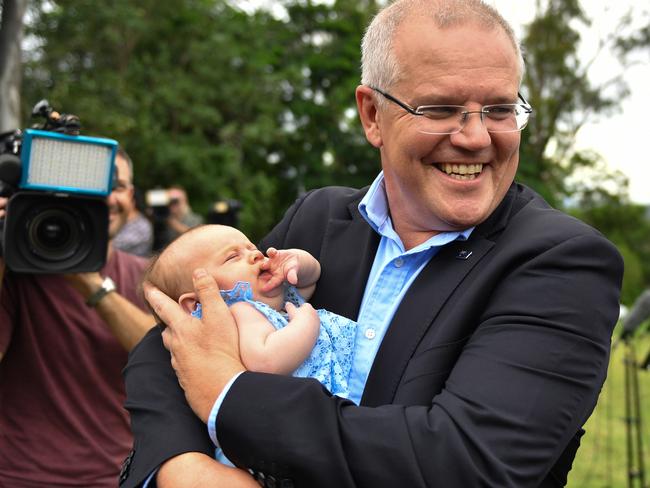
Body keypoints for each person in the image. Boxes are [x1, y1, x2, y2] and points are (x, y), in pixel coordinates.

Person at [121, 1, 624, 487]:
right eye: (441, 108)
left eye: (498, 108)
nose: (475, 137)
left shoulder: (563, 263)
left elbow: (465, 463)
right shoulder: (316, 220)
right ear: (372, 116)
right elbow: (167, 344)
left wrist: (227, 397)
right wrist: (183, 467)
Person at [0, 148, 156, 487]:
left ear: (130, 196)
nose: (103, 198)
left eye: (115, 186)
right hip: (19, 475)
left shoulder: (147, 275)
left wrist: (87, 282)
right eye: (90, 185)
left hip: (115, 475)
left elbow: (164, 354)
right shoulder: (16, 274)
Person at [145, 224, 356, 399]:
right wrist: (307, 324)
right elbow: (266, 362)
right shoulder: (241, 311)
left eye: (251, 247)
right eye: (232, 257)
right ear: (195, 303)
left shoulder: (269, 302)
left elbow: (310, 280)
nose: (255, 254)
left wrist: (296, 262)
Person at [113, 150, 154, 257]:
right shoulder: (122, 222)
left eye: (119, 187)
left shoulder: (141, 226)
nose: (109, 199)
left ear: (131, 197)